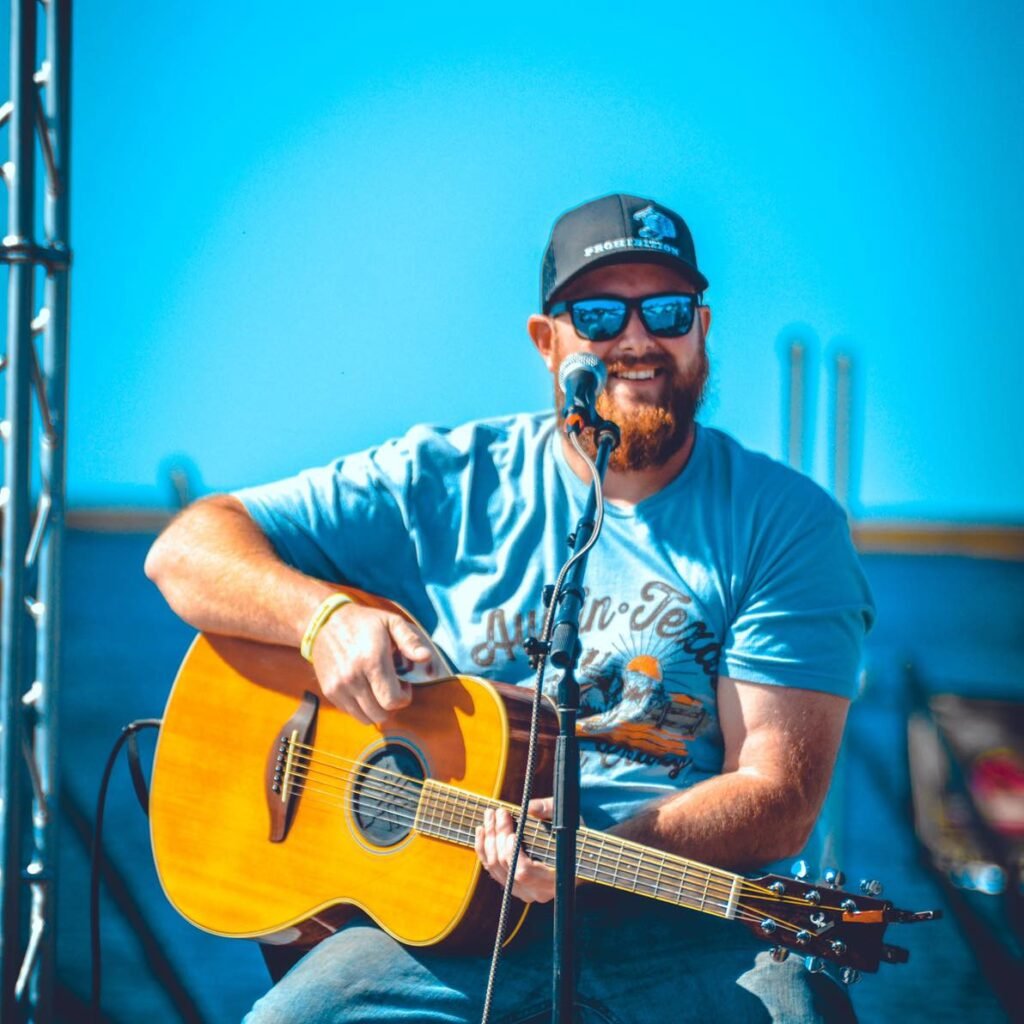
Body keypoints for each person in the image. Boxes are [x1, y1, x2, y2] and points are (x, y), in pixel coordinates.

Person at [145, 193, 875, 1023]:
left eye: (667, 311)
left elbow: (778, 796)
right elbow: (187, 551)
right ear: (548, 341)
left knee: (792, 1010)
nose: (637, 339)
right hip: (448, 928)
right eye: (600, 314)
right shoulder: (446, 479)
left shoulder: (787, 524)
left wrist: (587, 856)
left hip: (686, 926)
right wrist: (323, 622)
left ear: (702, 327)